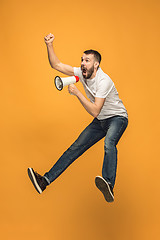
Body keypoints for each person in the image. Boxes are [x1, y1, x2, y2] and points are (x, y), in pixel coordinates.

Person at [27, 33, 128, 203]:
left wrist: (77, 93)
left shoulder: (104, 81)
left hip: (117, 118)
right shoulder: (82, 74)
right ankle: (44, 181)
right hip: (101, 121)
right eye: (82, 59)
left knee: (109, 143)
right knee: (75, 148)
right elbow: (56, 64)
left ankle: (109, 184)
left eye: (87, 60)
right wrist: (49, 45)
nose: (82, 63)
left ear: (96, 64)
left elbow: (95, 110)